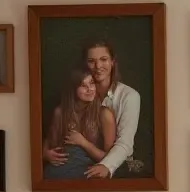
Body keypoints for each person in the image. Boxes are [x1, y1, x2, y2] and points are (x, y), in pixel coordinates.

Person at [42, 39, 141, 180]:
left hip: (114, 161)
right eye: (91, 61)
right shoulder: (74, 99)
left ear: (112, 62)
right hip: (72, 162)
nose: (98, 66)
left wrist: (106, 165)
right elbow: (56, 131)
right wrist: (45, 152)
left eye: (104, 59)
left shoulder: (129, 97)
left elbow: (124, 143)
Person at [42, 70, 116, 180]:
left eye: (91, 83)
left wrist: (83, 142)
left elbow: (110, 159)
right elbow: (50, 143)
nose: (90, 89)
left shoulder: (104, 114)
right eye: (83, 85)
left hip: (87, 171)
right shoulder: (60, 112)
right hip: (60, 169)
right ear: (73, 89)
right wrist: (45, 153)